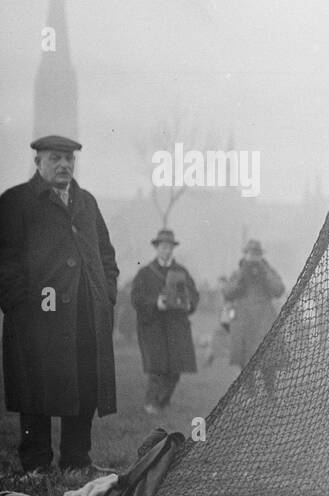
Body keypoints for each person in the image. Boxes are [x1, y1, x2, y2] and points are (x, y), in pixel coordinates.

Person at [0, 135, 119, 475]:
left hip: (85, 315)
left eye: (69, 159)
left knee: (83, 385)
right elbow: (5, 262)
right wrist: (19, 308)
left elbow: (106, 255)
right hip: (37, 318)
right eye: (55, 158)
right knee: (36, 388)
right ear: (38, 162)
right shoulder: (16, 202)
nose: (64, 165)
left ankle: (76, 460)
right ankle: (36, 463)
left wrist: (105, 294)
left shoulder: (87, 202)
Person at [130, 228, 200, 413]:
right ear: (157, 248)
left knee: (175, 369)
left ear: (173, 248)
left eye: (169, 247)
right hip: (154, 326)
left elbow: (194, 295)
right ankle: (152, 404)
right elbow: (136, 298)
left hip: (176, 327)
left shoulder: (182, 272)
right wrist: (156, 303)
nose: (166, 250)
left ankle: (163, 401)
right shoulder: (145, 273)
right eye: (163, 247)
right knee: (157, 368)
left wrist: (188, 304)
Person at [223, 239, 285, 390]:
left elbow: (279, 290)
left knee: (268, 356)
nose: (253, 257)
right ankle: (250, 392)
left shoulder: (268, 271)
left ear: (261, 255)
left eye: (257, 254)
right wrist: (240, 280)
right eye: (251, 253)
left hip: (264, 318)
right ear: (245, 255)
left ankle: (270, 392)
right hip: (244, 320)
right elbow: (227, 292)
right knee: (245, 358)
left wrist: (265, 273)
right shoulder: (238, 272)